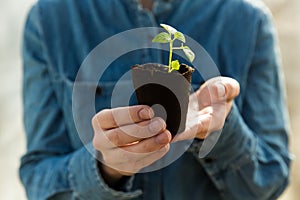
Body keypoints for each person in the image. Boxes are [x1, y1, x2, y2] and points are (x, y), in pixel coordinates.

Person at [19, 0, 292, 199]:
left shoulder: (246, 20)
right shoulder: (50, 20)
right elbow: (38, 178)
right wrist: (105, 167)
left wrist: (222, 132)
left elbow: (271, 180)